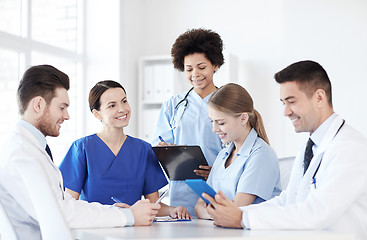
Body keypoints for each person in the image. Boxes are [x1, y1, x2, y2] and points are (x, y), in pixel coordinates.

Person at [202, 60, 367, 240]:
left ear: (319, 97)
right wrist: (236, 212)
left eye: (291, 102)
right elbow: (287, 200)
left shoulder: (350, 147)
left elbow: (318, 212)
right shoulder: (309, 147)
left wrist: (243, 218)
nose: (286, 112)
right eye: (283, 103)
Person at [0, 65, 161, 240]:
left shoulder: (29, 148)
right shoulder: (22, 153)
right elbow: (62, 213)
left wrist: (120, 212)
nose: (67, 115)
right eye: (62, 107)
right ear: (38, 105)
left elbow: (65, 205)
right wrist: (128, 216)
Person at [59, 80, 191, 219]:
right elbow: (69, 204)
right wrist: (110, 214)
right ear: (97, 114)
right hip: (95, 229)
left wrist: (173, 210)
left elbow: (153, 204)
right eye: (112, 105)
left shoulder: (143, 150)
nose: (122, 109)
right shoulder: (82, 148)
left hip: (134, 230)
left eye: (124, 101)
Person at [152, 28, 224, 216]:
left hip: (218, 188)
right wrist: (164, 149)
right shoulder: (172, 105)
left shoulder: (228, 102)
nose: (195, 75)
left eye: (201, 67)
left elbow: (238, 148)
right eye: (189, 69)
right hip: (181, 193)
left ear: (215, 65)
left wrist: (217, 172)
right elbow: (160, 143)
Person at [194, 83, 281, 219]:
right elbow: (198, 207)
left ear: (243, 118)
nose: (214, 129)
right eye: (212, 121)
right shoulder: (223, 154)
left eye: (221, 123)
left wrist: (210, 210)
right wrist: (216, 213)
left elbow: (236, 211)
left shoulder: (261, 155)